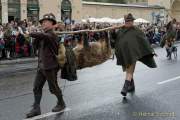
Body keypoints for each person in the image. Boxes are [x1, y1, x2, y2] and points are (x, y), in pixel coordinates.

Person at [26, 13, 66, 118]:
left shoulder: (52, 35)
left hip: (50, 66)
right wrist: (35, 39)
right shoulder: (43, 35)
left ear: (52, 24)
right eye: (42, 22)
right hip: (41, 66)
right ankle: (36, 108)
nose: (43, 23)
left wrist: (31, 33)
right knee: (36, 87)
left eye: (46, 22)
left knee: (53, 88)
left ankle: (61, 103)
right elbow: (35, 46)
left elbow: (43, 35)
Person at [114, 13, 157, 97]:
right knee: (128, 71)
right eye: (127, 21)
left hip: (133, 55)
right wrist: (112, 32)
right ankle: (132, 86)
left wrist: (151, 50)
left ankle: (125, 89)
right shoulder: (121, 30)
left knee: (129, 72)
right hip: (124, 55)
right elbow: (115, 40)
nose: (129, 23)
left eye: (130, 21)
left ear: (132, 21)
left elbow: (144, 40)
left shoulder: (136, 30)